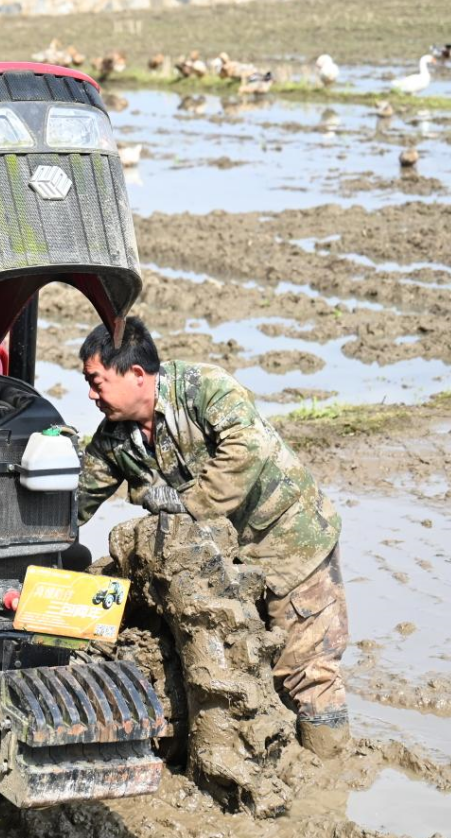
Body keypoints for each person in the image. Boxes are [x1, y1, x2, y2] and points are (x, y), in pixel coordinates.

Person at [76, 316, 350, 758]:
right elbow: (76, 499)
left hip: (286, 545)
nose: (91, 394)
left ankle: (331, 777)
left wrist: (189, 505)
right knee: (248, 666)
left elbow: (247, 447)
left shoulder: (204, 389)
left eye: (97, 381)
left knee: (306, 673)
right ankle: (272, 760)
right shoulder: (114, 439)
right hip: (224, 567)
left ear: (137, 375)